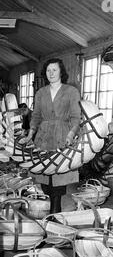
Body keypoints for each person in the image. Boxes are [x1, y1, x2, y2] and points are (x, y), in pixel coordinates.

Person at [23, 58, 81, 213]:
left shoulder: (71, 91)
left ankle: (54, 216)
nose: (51, 73)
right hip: (43, 137)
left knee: (59, 181)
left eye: (54, 70)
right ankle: (52, 213)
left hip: (62, 136)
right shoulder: (40, 93)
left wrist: (70, 134)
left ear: (61, 71)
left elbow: (76, 117)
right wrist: (30, 134)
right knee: (44, 180)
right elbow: (35, 116)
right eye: (48, 70)